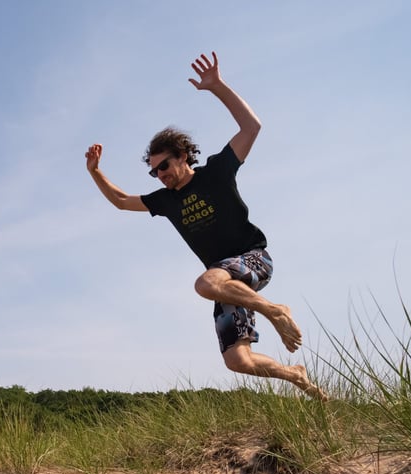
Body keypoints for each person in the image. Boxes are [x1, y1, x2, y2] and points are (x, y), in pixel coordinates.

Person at [85, 51, 326, 400]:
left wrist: (217, 86)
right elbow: (122, 201)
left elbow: (251, 127)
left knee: (205, 282)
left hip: (253, 258)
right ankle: (296, 376)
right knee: (237, 361)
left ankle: (277, 311)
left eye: (164, 166)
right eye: (154, 172)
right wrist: (96, 172)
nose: (160, 175)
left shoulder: (216, 172)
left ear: (182, 156)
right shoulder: (166, 201)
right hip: (225, 283)